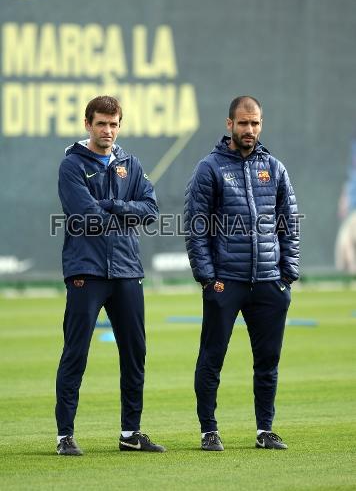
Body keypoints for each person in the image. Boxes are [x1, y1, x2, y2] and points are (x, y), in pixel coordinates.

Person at [184, 96, 299, 451]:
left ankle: (265, 430)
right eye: (243, 123)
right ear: (229, 124)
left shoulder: (275, 168)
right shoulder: (210, 168)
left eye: (255, 123)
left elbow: (289, 222)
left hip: (269, 282)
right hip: (226, 282)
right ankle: (209, 431)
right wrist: (207, 277)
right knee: (211, 358)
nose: (250, 130)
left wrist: (287, 274)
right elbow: (195, 226)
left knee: (268, 362)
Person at [55, 95, 165, 455]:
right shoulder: (71, 165)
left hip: (127, 270)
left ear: (120, 125)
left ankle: (130, 434)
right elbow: (85, 216)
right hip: (86, 270)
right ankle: (65, 436)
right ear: (88, 124)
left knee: (135, 353)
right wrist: (117, 212)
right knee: (76, 352)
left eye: (113, 124)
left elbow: (150, 209)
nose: (107, 130)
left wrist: (115, 205)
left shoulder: (130, 164)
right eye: (101, 123)